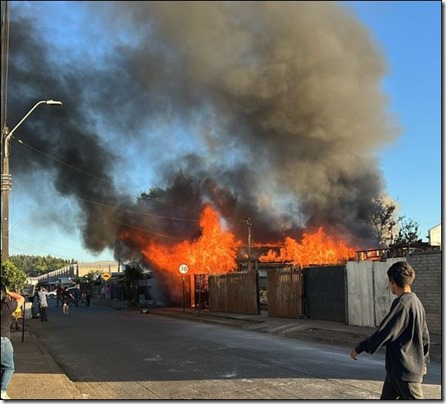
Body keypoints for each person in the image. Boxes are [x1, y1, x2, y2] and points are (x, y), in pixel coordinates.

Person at [350, 261, 430, 399]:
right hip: (396, 371)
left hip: (404, 371)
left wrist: (360, 348)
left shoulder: (402, 303)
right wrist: (423, 361)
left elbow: (385, 332)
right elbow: (425, 337)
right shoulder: (416, 302)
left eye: (389, 281)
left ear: (393, 281)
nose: (389, 286)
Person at [1, 284, 25, 400]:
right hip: (3, 340)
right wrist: (9, 292)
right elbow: (21, 299)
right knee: (8, 367)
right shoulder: (7, 307)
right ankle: (2, 391)